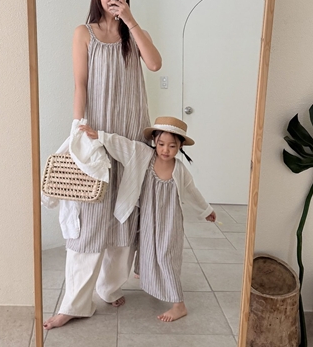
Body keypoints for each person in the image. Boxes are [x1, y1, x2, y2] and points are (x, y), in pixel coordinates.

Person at [43, 0, 162, 330]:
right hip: (96, 134)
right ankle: (74, 303)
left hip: (131, 135)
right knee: (91, 220)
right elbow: (80, 84)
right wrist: (77, 128)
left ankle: (108, 288)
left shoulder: (133, 34)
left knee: (124, 217)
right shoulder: (84, 33)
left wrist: (130, 19)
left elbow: (155, 63)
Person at [80, 116, 217, 322]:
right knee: (146, 250)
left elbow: (191, 192)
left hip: (170, 222)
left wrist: (205, 209)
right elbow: (123, 145)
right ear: (154, 141)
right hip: (147, 219)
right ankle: (150, 279)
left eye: (172, 146)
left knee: (166, 257)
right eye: (161, 144)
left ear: (180, 146)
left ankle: (178, 304)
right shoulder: (143, 155)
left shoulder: (180, 170)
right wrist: (100, 136)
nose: (165, 150)